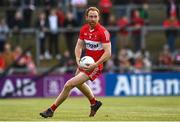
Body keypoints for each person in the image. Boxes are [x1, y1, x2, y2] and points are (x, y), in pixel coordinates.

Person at [40, 6, 111, 118]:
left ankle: (51, 110)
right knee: (78, 83)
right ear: (86, 17)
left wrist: (96, 64)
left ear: (99, 17)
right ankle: (94, 103)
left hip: (96, 66)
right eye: (91, 16)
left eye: (95, 16)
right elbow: (78, 46)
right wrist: (78, 60)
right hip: (85, 63)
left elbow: (108, 53)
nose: (93, 19)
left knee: (69, 84)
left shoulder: (103, 32)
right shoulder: (84, 29)